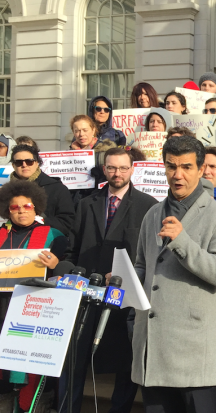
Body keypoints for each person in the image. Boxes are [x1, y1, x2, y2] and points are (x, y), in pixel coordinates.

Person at [131, 136, 216, 413]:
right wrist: (123, 280)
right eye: (171, 166)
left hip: (193, 350)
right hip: (152, 348)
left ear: (201, 170)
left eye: (186, 167)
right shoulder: (152, 213)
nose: (178, 175)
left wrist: (183, 242)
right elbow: (143, 265)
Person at [59, 147, 158, 413]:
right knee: (76, 358)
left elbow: (150, 255)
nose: (117, 173)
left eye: (123, 168)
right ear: (104, 169)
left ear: (133, 169)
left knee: (125, 362)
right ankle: (68, 408)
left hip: (125, 295)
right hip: (87, 294)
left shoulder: (149, 206)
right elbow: (73, 248)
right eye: (112, 168)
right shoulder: (86, 203)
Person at [0, 180, 70, 412]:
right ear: (7, 210)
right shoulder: (0, 234)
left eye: (26, 206)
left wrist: (57, 264)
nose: (21, 210)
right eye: (15, 207)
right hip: (2, 310)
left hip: (33, 313)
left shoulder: (54, 236)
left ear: (36, 207)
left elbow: (71, 266)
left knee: (30, 375)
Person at [9, 145, 75, 237]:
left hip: (47, 242)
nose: (24, 165)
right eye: (18, 162)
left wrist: (40, 220)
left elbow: (68, 222)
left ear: (37, 163)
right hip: (12, 244)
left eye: (29, 161)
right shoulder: (7, 191)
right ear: (13, 165)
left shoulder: (57, 188)